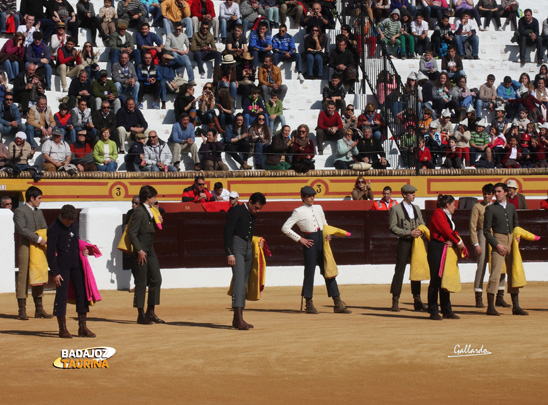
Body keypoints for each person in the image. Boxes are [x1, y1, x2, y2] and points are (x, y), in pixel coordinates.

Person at [281, 186, 351, 314]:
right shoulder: (298, 211)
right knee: (309, 271)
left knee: (328, 270)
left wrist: (328, 234)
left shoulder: (318, 207)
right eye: (309, 196)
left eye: (313, 195)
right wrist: (300, 239)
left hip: (322, 240)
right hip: (310, 241)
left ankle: (337, 302)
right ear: (302, 197)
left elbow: (325, 224)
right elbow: (285, 228)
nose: (312, 198)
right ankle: (309, 303)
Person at [47, 204, 95, 338]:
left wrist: (83, 249)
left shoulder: (74, 223)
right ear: (61, 216)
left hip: (76, 263)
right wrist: (55, 272)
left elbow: (76, 241)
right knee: (61, 295)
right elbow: (50, 253)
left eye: (71, 221)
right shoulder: (53, 229)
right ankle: (62, 328)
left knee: (82, 292)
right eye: (67, 221)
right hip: (62, 265)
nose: (69, 224)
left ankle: (82, 327)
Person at [483, 182, 527, 316]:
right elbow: (486, 231)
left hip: (511, 240)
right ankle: (490, 307)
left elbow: (516, 225)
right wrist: (496, 244)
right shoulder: (491, 209)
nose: (496, 194)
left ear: (506, 192)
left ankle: (516, 306)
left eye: (499, 191)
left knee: (513, 273)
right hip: (499, 240)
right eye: (495, 192)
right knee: (495, 274)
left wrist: (517, 236)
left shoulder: (512, 208)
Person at [224, 192, 267, 329]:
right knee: (239, 281)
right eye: (256, 208)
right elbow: (228, 232)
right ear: (249, 202)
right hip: (236, 247)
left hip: (248, 247)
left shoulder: (251, 214)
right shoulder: (236, 210)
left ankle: (238, 319)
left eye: (259, 209)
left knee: (244, 282)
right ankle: (238, 318)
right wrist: (229, 253)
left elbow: (248, 233)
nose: (257, 211)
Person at [13, 186, 52, 320]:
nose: (40, 201)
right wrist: (38, 238)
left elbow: (44, 227)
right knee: (23, 275)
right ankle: (22, 310)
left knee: (39, 273)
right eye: (39, 198)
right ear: (32, 198)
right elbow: (22, 229)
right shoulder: (19, 211)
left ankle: (39, 309)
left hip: (38, 247)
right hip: (26, 246)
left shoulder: (39, 212)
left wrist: (43, 238)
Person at [427, 194, 468, 320]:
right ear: (447, 205)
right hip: (437, 248)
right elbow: (446, 230)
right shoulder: (438, 213)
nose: (455, 207)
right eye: (453, 204)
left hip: (444, 247)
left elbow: (451, 233)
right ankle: (433, 310)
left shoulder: (446, 215)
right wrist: (458, 242)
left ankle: (446, 310)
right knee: (435, 279)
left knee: (444, 279)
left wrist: (456, 242)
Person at [128, 185, 164, 324]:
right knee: (141, 281)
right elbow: (132, 233)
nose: (155, 199)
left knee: (156, 279)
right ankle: (140, 314)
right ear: (148, 198)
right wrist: (139, 250)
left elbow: (147, 227)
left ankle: (150, 311)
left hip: (150, 246)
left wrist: (157, 223)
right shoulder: (139, 212)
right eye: (154, 197)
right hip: (142, 248)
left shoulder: (150, 210)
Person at [388, 184, 427, 312]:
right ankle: (395, 299)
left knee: (416, 269)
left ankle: (417, 300)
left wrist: (420, 232)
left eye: (414, 193)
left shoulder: (416, 208)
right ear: (404, 195)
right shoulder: (396, 209)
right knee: (400, 269)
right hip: (404, 241)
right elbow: (393, 227)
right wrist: (408, 233)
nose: (414, 195)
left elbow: (422, 223)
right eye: (411, 193)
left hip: (417, 242)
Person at [469, 183, 506, 308]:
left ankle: (500, 296)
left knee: (499, 264)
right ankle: (478, 297)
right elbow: (472, 227)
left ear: (493, 195)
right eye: (484, 194)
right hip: (483, 236)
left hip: (496, 235)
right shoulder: (477, 207)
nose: (486, 196)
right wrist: (476, 243)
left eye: (489, 194)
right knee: (481, 265)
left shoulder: (497, 206)